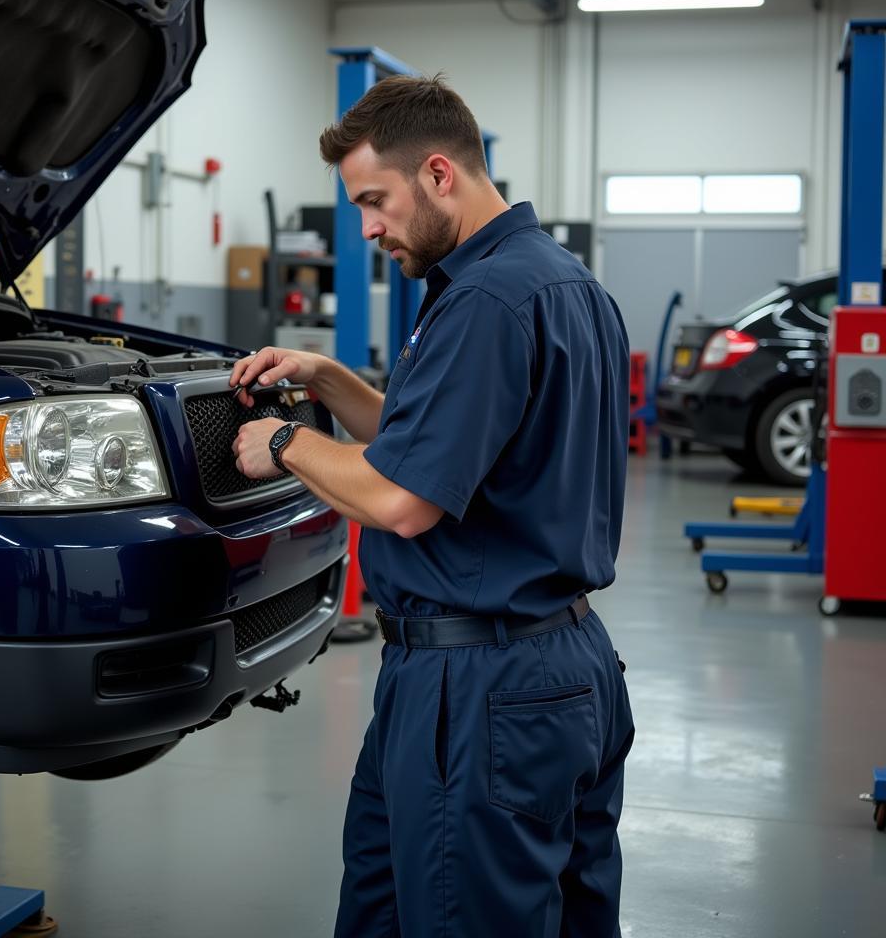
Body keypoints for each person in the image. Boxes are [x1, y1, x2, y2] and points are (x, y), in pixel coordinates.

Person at [230, 73, 635, 938]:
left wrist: (285, 445)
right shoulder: (558, 283)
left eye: (376, 201)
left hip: (481, 688)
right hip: (560, 666)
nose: (369, 227)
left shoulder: (485, 302)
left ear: (440, 174)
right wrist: (331, 381)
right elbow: (449, 449)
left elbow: (404, 499)